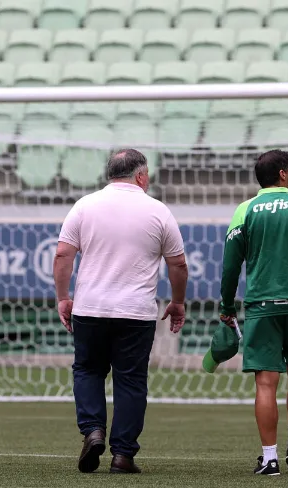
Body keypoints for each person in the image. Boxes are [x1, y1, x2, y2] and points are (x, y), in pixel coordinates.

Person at [53, 148, 189, 474]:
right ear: (141, 175)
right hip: (136, 312)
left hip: (91, 308)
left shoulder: (84, 205)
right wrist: (178, 301)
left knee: (88, 370)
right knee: (130, 382)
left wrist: (63, 297)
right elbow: (178, 263)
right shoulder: (157, 210)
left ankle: (93, 430)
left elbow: (62, 254)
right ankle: (123, 455)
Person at [217, 149, 288, 476]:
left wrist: (227, 306)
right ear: (283, 173)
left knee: (266, 383)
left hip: (262, 306)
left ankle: (269, 459)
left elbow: (230, 267)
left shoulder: (245, 210)